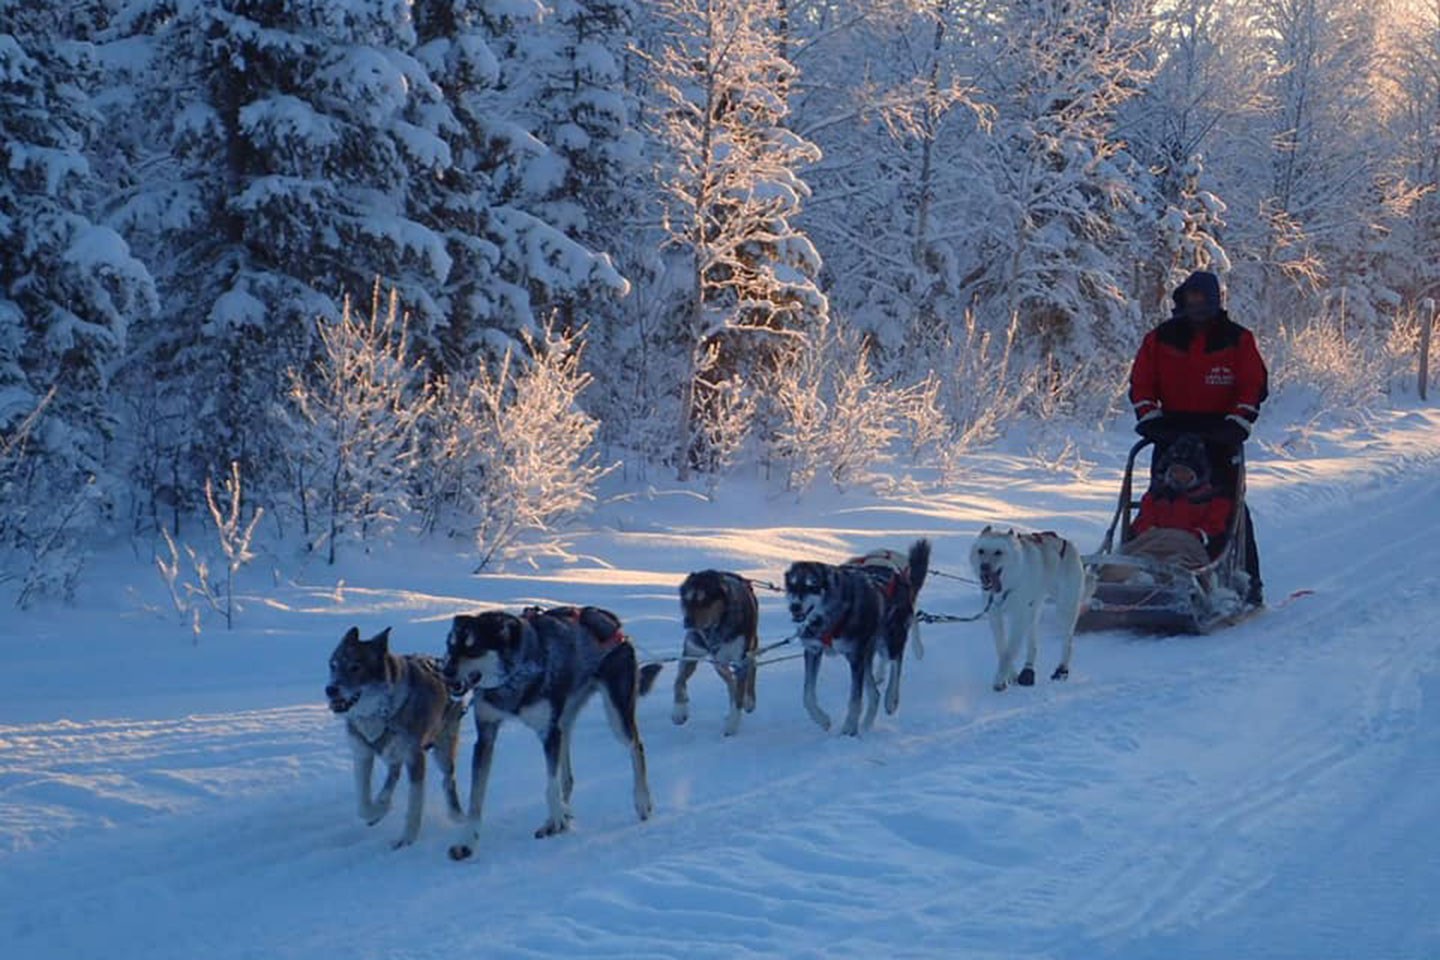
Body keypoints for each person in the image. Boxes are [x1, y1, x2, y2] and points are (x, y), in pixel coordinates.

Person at [1128, 270, 1268, 605]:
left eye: (1203, 299)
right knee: (1163, 498)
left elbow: (1253, 385)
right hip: (1171, 431)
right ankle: (1145, 566)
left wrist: (1238, 421)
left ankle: (1246, 582)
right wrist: (1150, 418)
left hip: (1220, 432)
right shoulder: (1161, 338)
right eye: (1191, 299)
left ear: (1216, 300)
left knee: (1229, 507)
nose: (1197, 306)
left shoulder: (1237, 339)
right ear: (1181, 300)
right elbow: (1141, 383)